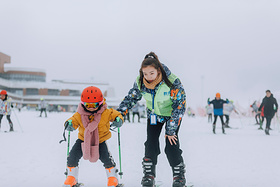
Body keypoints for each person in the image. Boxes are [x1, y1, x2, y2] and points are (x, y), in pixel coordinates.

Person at [117, 52, 187, 187]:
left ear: (158, 70)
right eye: (145, 73)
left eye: (151, 73)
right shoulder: (140, 82)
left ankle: (179, 176)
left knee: (171, 144)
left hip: (172, 115)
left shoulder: (171, 81)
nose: (148, 77)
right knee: (150, 143)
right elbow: (131, 98)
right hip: (154, 116)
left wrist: (171, 129)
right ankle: (149, 175)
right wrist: (120, 114)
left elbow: (180, 105)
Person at [62, 86, 124, 187]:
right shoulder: (80, 114)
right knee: (72, 157)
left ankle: (112, 178)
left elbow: (116, 114)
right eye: (87, 104)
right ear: (83, 103)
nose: (91, 107)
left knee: (107, 159)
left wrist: (119, 120)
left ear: (100, 103)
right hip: (83, 140)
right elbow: (73, 120)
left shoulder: (106, 112)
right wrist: (69, 124)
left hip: (100, 140)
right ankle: (71, 177)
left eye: (94, 104)